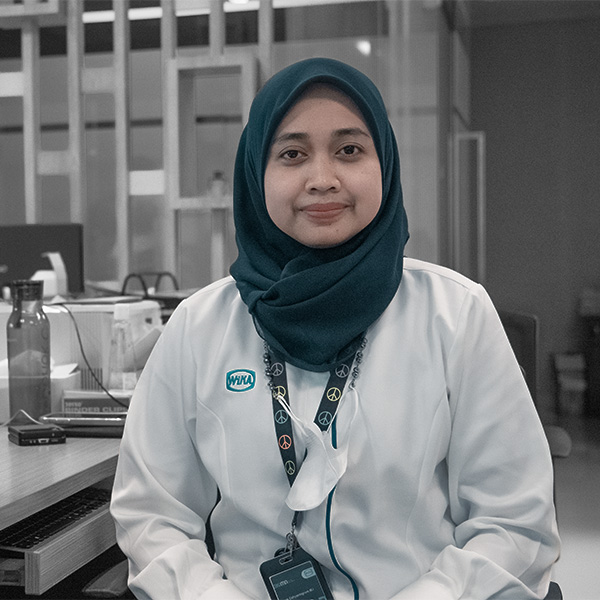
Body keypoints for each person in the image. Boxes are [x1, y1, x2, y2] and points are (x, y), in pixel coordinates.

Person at [110, 58, 560, 599]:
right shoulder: (199, 327)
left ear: (384, 163)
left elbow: (513, 524)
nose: (322, 179)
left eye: (349, 150)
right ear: (256, 173)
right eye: (292, 154)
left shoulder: (455, 314)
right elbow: (153, 515)